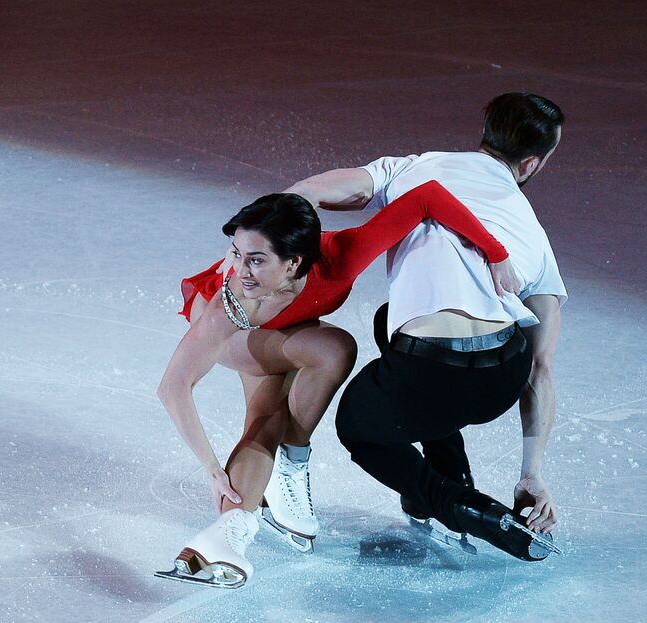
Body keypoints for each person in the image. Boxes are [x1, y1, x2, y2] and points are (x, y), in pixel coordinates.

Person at [156, 185, 517, 587]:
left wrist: (497, 253)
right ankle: (290, 462)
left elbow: (426, 197)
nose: (241, 269)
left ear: (294, 263)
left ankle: (222, 539)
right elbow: (173, 387)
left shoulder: (343, 254)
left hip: (290, 324)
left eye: (256, 259)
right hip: (242, 337)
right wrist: (210, 469)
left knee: (266, 424)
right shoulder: (234, 300)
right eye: (237, 253)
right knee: (333, 348)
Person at [288, 93, 565, 561]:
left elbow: (316, 189)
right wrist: (531, 473)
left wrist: (287, 216)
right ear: (532, 163)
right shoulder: (533, 231)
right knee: (386, 322)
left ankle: (460, 505)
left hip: (428, 371)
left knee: (359, 426)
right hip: (500, 376)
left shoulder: (413, 168)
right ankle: (449, 474)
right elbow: (539, 369)